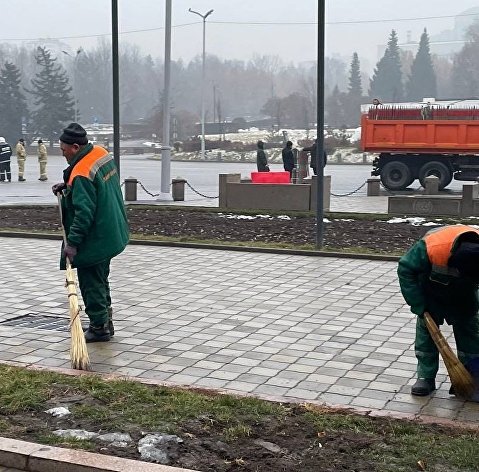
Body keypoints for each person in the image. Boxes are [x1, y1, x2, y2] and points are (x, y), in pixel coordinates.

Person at [52, 123, 129, 343]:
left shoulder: (81, 173)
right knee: (101, 278)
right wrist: (68, 186)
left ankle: (98, 327)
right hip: (112, 230)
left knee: (90, 281)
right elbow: (95, 188)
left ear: (75, 147)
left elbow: (83, 213)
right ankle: (106, 320)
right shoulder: (100, 153)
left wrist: (73, 244)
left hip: (96, 237)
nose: (62, 153)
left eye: (64, 149)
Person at [397, 225, 479, 396]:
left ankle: (471, 377)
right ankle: (425, 377)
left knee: (471, 332)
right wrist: (418, 303)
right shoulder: (433, 248)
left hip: (465, 293)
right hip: (430, 288)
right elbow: (405, 269)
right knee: (428, 332)